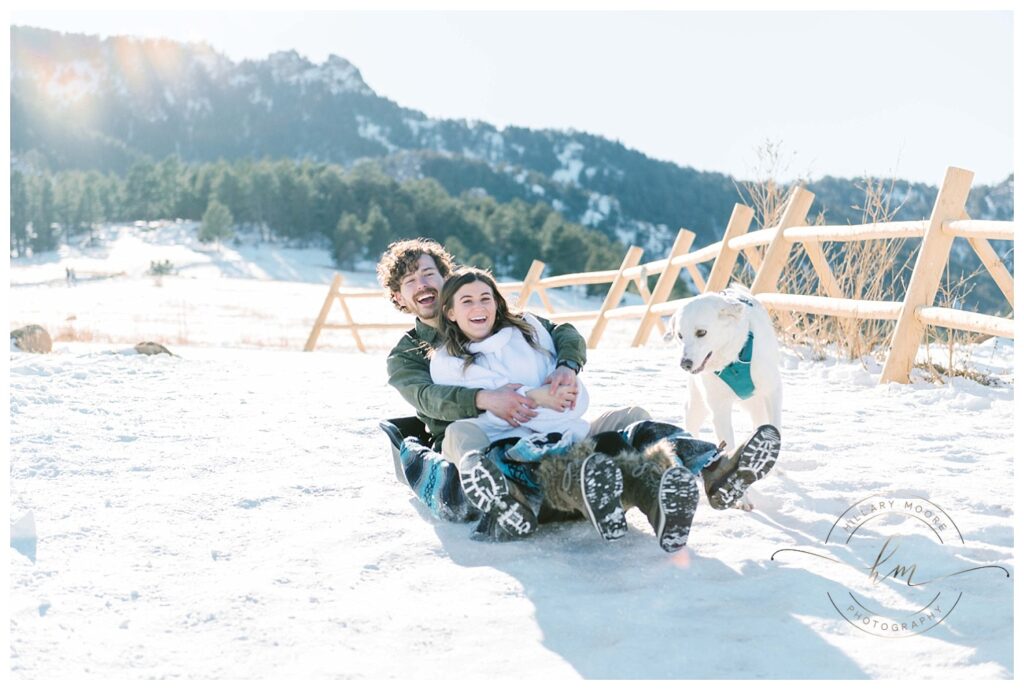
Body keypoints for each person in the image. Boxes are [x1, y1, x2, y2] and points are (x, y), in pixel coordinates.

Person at [378, 239, 648, 527]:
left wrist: (566, 366)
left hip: (542, 426)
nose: (422, 284)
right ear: (398, 298)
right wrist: (484, 399)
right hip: (482, 439)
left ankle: (637, 484)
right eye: (410, 281)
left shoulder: (496, 319)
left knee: (633, 419)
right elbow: (426, 397)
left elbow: (561, 333)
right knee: (460, 436)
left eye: (428, 274)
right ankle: (501, 497)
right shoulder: (407, 354)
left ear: (446, 278)